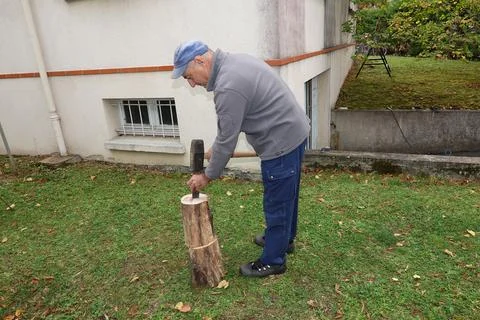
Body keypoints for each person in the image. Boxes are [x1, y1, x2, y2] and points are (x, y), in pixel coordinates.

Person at [172, 40, 310, 277]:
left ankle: (274, 261)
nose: (192, 84)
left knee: (277, 202)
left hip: (281, 142)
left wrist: (207, 175)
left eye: (189, 76)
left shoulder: (227, 86)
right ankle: (283, 240)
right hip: (293, 131)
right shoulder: (235, 62)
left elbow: (228, 138)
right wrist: (216, 148)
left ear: (200, 61)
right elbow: (230, 126)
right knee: (288, 196)